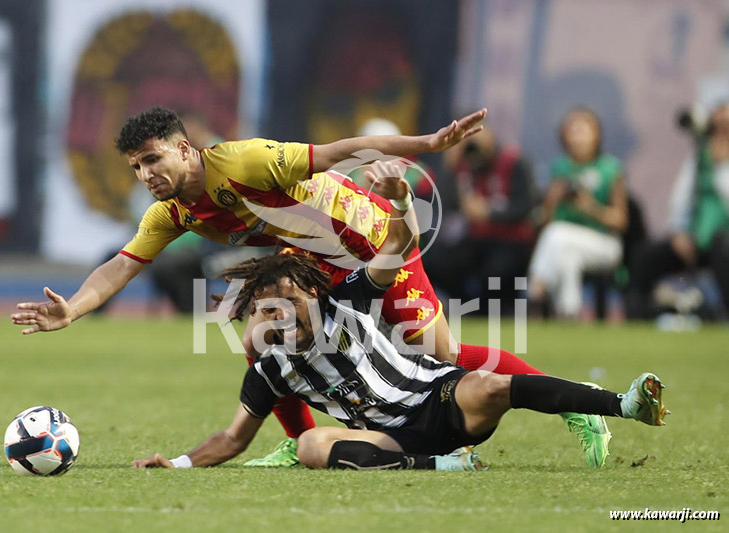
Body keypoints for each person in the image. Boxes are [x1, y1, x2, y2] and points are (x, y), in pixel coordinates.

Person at [11, 107, 602, 468]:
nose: (145, 175)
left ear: (185, 148)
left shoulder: (245, 161)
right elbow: (120, 266)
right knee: (262, 340)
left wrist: (426, 147)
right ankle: (301, 440)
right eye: (135, 167)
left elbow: (342, 151)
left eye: (151, 159)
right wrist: (75, 310)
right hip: (309, 256)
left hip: (368, 236)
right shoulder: (170, 213)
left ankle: (576, 404)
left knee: (439, 356)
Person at [130, 161, 668, 471]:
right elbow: (230, 436)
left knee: (454, 360)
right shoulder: (203, 208)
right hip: (382, 412)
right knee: (297, 418)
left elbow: (398, 237)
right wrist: (176, 463)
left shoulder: (270, 177)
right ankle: (314, 446)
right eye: (267, 309)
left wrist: (399, 199)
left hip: (375, 248)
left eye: (288, 304)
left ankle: (607, 405)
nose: (276, 316)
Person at [627, 103, 729, 319]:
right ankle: (640, 314)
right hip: (697, 240)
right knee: (645, 256)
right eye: (717, 127)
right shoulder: (701, 156)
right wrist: (677, 231)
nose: (721, 133)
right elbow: (681, 199)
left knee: (722, 245)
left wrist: (722, 167)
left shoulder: (719, 161)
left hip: (723, 242)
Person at [528, 107, 629, 318]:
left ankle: (536, 288)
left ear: (597, 134)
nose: (578, 136)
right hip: (563, 245)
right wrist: (552, 200)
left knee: (557, 234)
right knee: (567, 256)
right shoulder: (560, 168)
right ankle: (570, 313)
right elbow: (544, 222)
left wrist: (590, 208)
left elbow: (621, 221)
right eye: (572, 130)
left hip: (604, 244)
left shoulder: (610, 168)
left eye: (583, 129)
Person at [424, 127, 536, 311]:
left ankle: (488, 309)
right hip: (476, 238)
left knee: (497, 270)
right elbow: (441, 203)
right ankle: (467, 305)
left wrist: (489, 212)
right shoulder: (463, 167)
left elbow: (525, 205)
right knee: (437, 261)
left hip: (510, 240)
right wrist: (450, 168)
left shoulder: (513, 162)